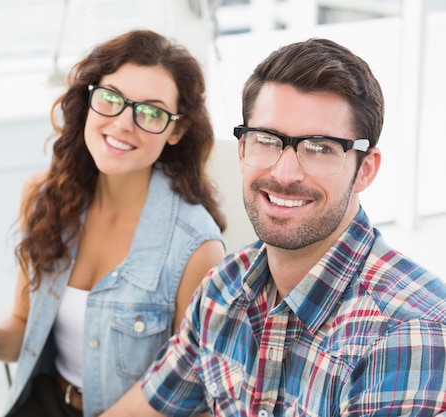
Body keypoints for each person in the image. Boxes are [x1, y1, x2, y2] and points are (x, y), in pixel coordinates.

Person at [102, 38, 446, 416]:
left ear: (365, 169)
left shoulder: (407, 334)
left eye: (319, 147)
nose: (284, 173)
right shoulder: (222, 291)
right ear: (242, 149)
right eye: (266, 140)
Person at [0, 29, 227, 417]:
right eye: (111, 99)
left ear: (176, 129)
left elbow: (190, 391)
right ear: (90, 99)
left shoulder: (196, 248)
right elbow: (25, 324)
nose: (124, 123)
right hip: (43, 402)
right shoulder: (45, 197)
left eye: (152, 112)